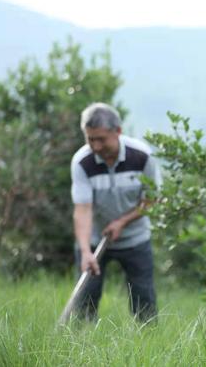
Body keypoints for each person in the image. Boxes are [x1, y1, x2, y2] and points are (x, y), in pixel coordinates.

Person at [70, 102, 162, 323]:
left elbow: (152, 199)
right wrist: (85, 251)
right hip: (93, 241)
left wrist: (123, 221)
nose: (95, 146)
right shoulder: (82, 162)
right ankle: (81, 347)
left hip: (136, 240)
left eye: (101, 139)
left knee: (144, 304)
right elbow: (82, 209)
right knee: (84, 303)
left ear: (118, 131)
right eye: (90, 139)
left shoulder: (142, 157)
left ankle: (148, 346)